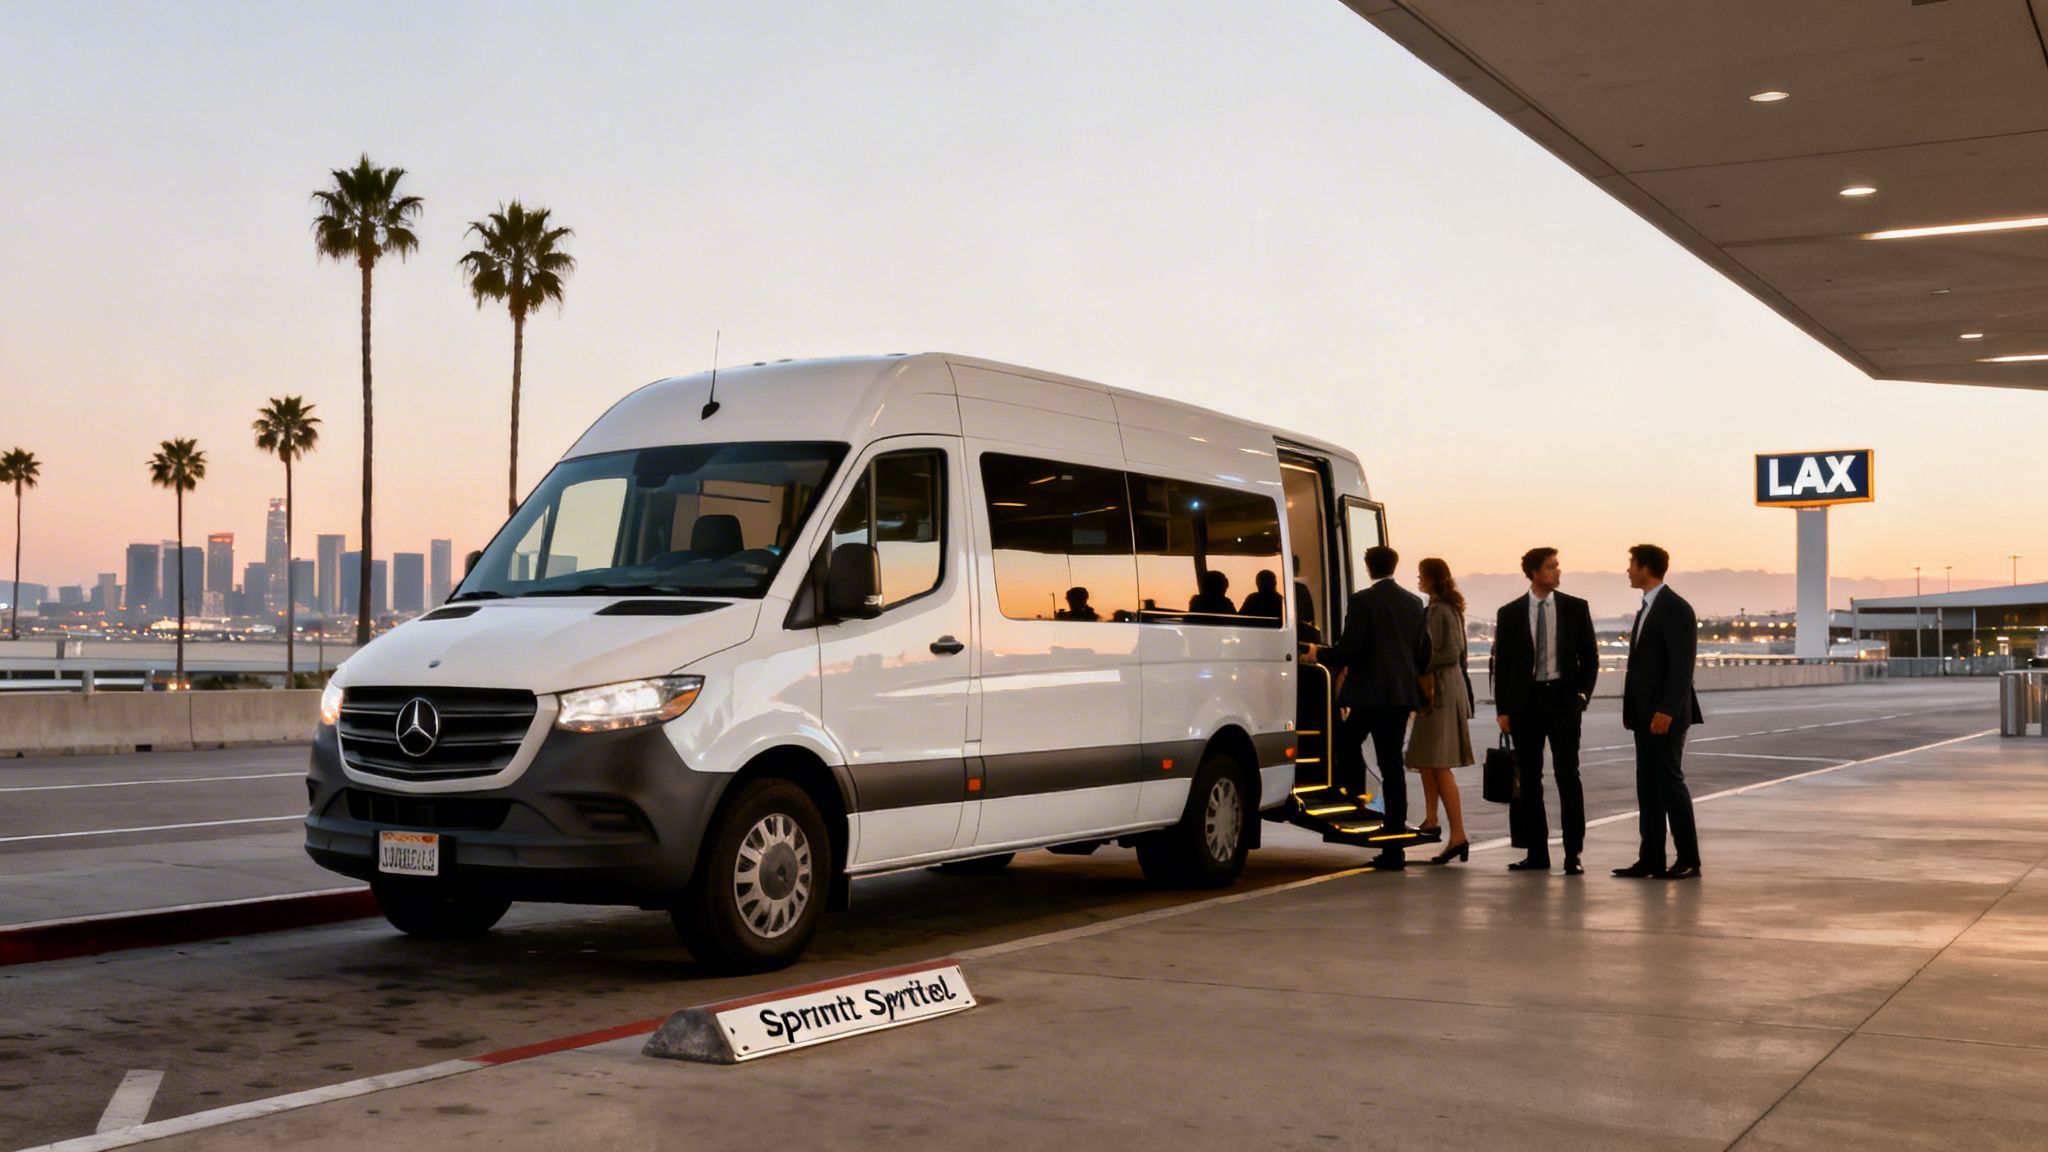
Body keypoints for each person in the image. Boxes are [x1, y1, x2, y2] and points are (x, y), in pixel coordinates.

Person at [1309, 544, 1431, 870]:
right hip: (1401, 695)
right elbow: (1423, 654)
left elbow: (1350, 648)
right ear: (1395, 564)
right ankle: (1394, 848)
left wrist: (1317, 654)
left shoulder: (1362, 600)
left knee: (1345, 741)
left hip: (1369, 694)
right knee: (1392, 766)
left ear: (1368, 567)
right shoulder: (1413, 602)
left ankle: (1352, 793)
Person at [1491, 547, 1599, 875]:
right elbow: (1504, 665)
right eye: (1551, 567)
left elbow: (1590, 658)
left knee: (1568, 776)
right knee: (1531, 781)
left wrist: (1581, 695)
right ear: (1535, 572)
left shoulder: (1575, 608)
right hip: (1527, 705)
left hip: (1564, 703)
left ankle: (1573, 854)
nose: (1557, 571)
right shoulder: (1509, 613)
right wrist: (1504, 709)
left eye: (1557, 566)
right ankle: (1537, 853)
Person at [1615, 543, 1705, 881]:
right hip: (1644, 716)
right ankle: (1650, 858)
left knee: (1670, 783)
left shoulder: (1675, 608)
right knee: (1648, 788)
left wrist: (1667, 709)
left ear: (1646, 567)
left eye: (1631, 564)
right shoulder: (1647, 607)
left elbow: (1682, 666)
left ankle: (1688, 859)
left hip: (1665, 716)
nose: (1627, 570)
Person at [1407, 558, 1474, 865]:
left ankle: (1456, 833)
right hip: (1450, 687)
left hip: (1439, 691)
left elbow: (1444, 651)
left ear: (1431, 579)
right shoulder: (1451, 608)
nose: (1418, 580)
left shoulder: (1437, 610)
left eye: (1421, 576)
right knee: (1430, 760)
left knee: (1437, 762)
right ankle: (1434, 820)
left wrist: (1418, 666)